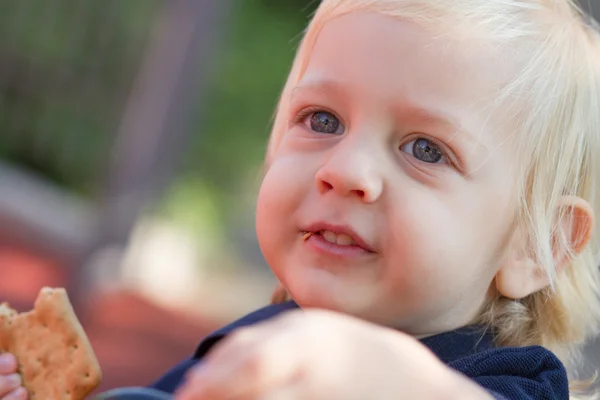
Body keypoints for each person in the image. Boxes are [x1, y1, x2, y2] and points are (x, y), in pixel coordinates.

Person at [3, 0, 600, 398]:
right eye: (322, 119)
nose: (345, 171)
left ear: (538, 246)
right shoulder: (258, 338)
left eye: (424, 149)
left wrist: (385, 376)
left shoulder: (499, 381)